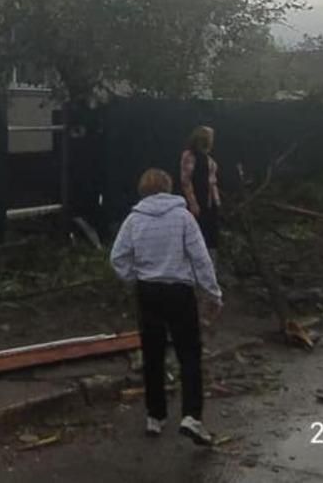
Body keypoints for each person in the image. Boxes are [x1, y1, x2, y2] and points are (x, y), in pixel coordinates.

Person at [110, 168, 222, 447]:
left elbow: (117, 257)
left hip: (148, 291)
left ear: (143, 190)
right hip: (179, 291)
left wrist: (135, 277)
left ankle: (155, 415)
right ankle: (191, 416)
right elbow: (200, 258)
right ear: (168, 187)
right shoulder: (183, 217)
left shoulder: (134, 220)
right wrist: (213, 293)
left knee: (153, 354)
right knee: (189, 354)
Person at [179, 125, 221, 255]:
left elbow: (213, 182)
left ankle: (210, 261)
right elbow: (186, 181)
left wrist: (217, 202)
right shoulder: (190, 156)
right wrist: (193, 202)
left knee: (211, 236)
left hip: (210, 202)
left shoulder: (209, 159)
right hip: (198, 199)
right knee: (196, 234)